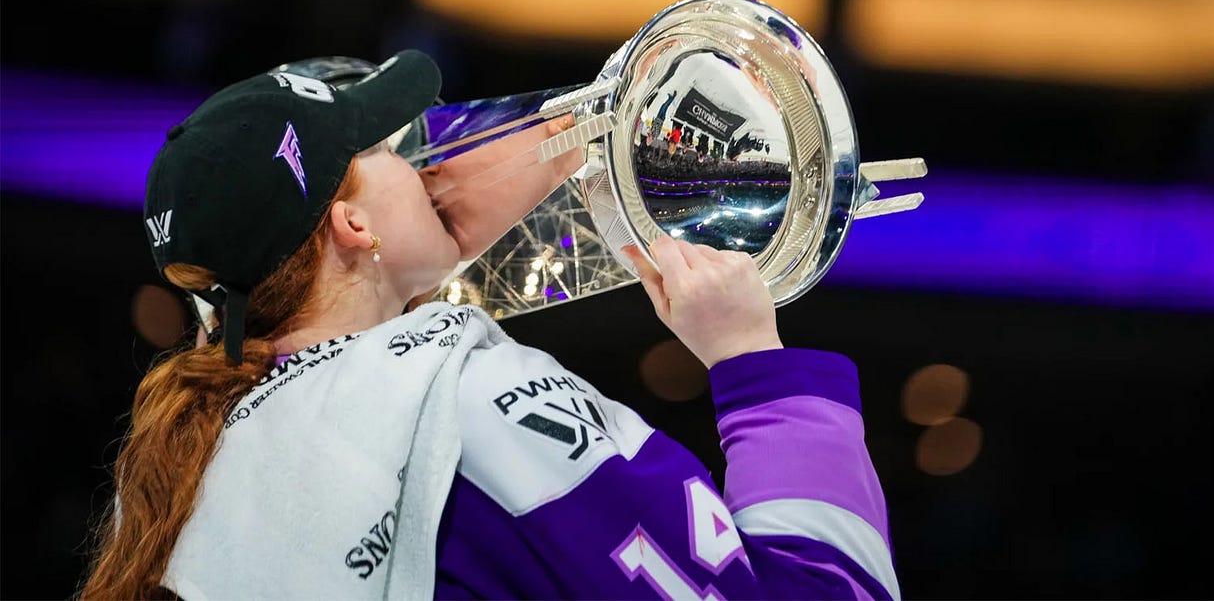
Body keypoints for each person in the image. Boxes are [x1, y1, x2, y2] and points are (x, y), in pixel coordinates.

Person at [82, 50, 898, 600]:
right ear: (353, 226)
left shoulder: (175, 474)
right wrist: (753, 361)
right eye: (397, 148)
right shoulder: (463, 396)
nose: (430, 161)